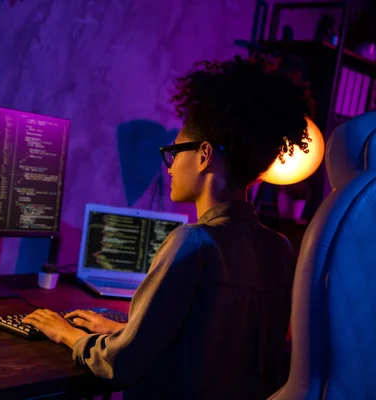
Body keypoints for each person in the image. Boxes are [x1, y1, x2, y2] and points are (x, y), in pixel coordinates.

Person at [23, 55, 314, 399]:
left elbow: (121, 365)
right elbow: (212, 348)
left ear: (204, 155)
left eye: (175, 151)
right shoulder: (278, 247)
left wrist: (64, 333)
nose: (170, 166)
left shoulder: (193, 242)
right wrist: (125, 330)